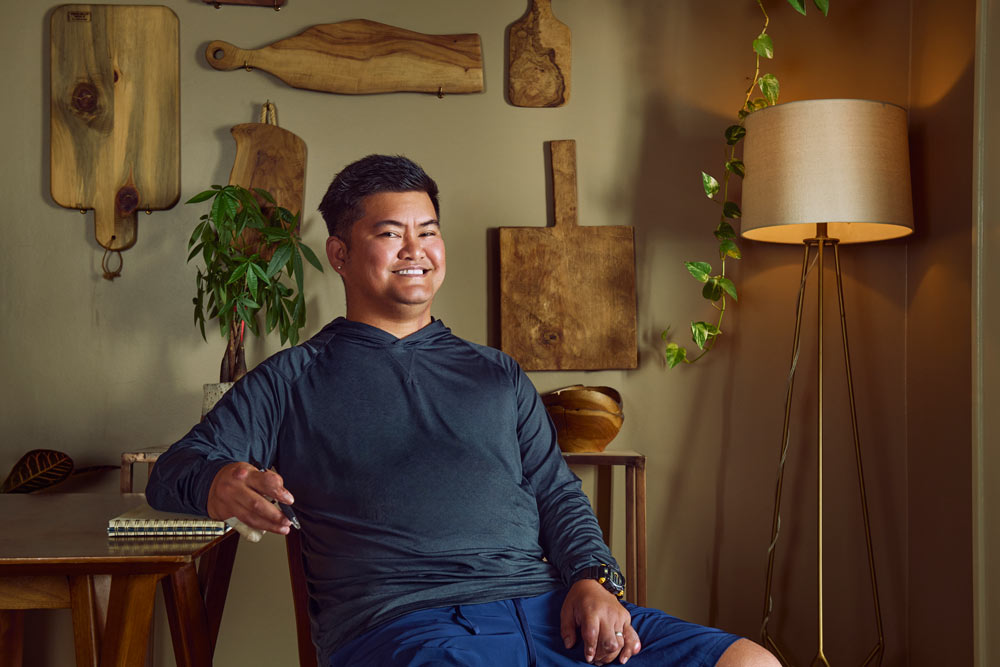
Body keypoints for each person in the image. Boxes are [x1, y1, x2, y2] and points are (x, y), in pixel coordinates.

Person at [147, 155, 778, 667]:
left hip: (552, 612)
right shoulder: (293, 377)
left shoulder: (496, 372)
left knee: (751, 662)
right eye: (390, 233)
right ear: (339, 255)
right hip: (408, 628)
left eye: (427, 231)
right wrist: (219, 482)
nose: (414, 249)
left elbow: (557, 495)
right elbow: (172, 470)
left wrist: (594, 581)